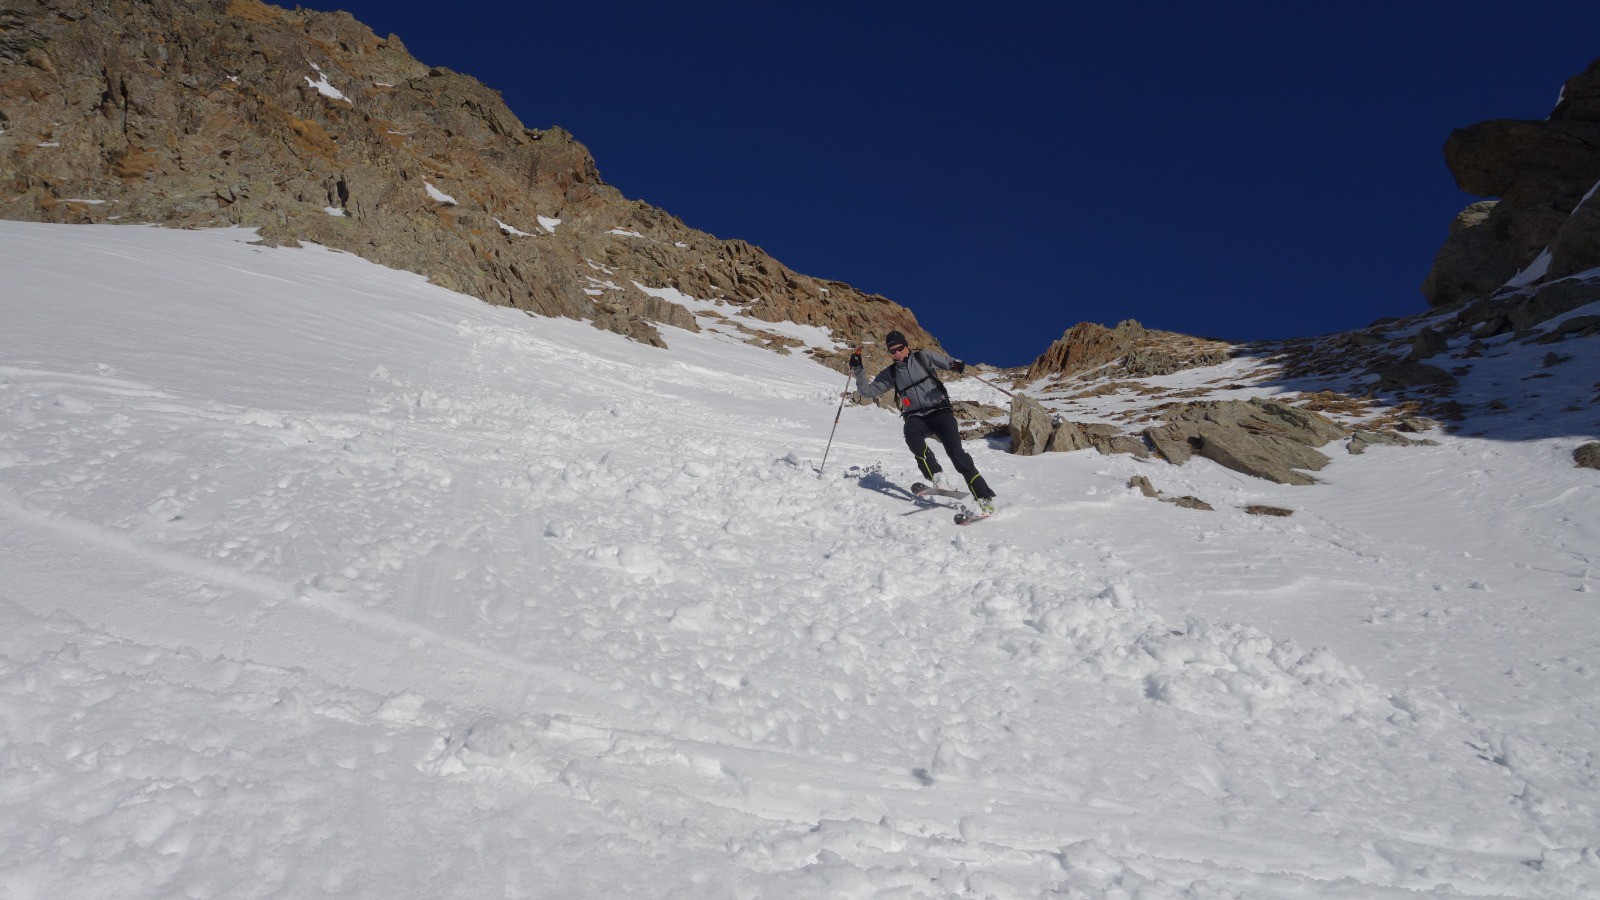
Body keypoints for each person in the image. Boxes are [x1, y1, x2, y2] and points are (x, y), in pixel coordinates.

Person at [851, 330, 997, 515]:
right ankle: (937, 476)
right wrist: (858, 369)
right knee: (911, 434)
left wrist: (955, 365)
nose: (897, 353)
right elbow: (867, 391)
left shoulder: (923, 357)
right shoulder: (891, 373)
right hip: (916, 416)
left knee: (957, 455)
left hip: (940, 412)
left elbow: (947, 362)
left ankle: (984, 498)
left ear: (907, 346)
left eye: (899, 348)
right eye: (892, 351)